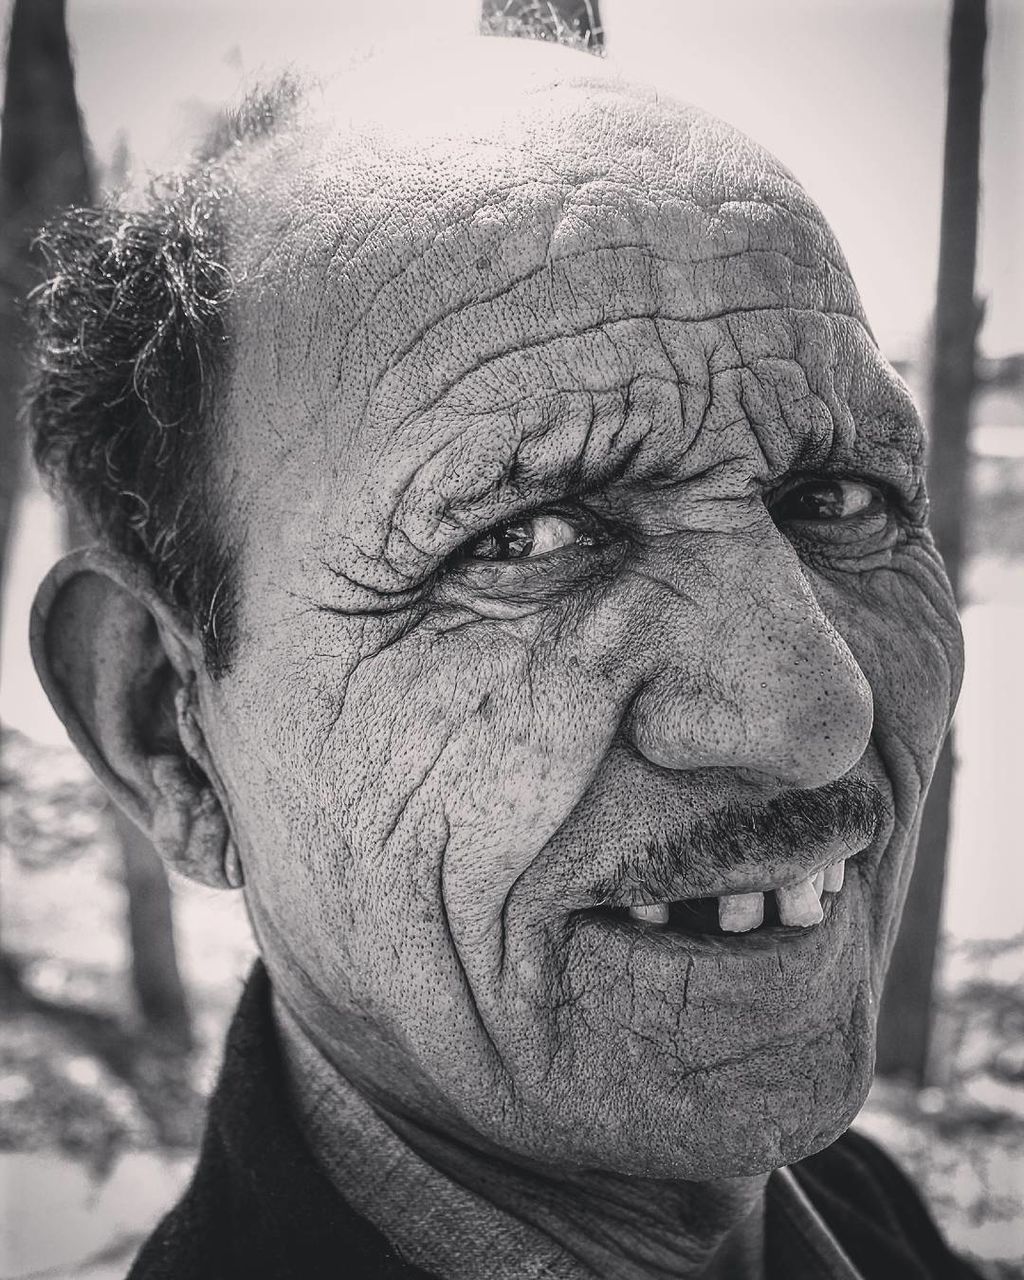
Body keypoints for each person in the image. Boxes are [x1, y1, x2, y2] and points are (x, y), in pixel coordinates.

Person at [26, 30, 972, 1280]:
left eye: (841, 498)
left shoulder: (858, 1205)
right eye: (525, 537)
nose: (813, 712)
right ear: (169, 733)